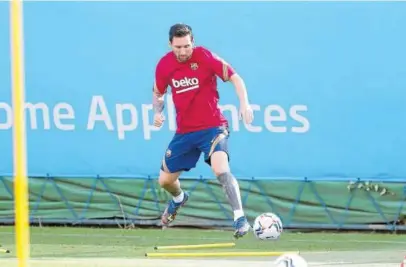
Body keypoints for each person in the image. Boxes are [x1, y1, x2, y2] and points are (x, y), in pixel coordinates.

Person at [152, 23, 254, 239]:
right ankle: (179, 199)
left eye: (187, 46)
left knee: (220, 169)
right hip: (185, 132)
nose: (183, 51)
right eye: (178, 47)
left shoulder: (205, 56)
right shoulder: (164, 65)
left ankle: (240, 218)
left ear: (193, 42)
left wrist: (245, 104)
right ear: (170, 44)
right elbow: (158, 93)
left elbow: (236, 77)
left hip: (213, 127)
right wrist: (157, 112)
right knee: (165, 181)